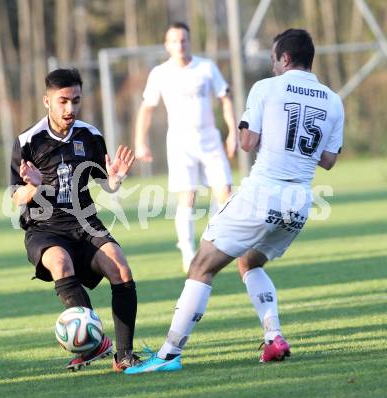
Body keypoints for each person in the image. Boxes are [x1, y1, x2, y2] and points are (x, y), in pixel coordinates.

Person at [125, 28, 344, 374]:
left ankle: (168, 355)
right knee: (249, 263)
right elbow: (329, 159)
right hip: (299, 201)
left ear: (285, 58)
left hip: (263, 192)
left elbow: (246, 141)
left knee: (201, 266)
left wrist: (258, 130)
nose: (272, 65)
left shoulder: (266, 88)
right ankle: (274, 338)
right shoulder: (333, 99)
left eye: (274, 59)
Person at [10, 68, 141, 373]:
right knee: (60, 264)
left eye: (76, 100)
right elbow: (16, 197)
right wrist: (34, 185)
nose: (70, 109)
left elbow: (106, 183)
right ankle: (94, 343)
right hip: (45, 228)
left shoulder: (90, 136)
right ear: (47, 101)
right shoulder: (28, 141)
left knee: (121, 267)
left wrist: (116, 178)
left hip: (85, 222)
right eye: (63, 101)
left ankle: (124, 355)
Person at [135, 22, 238, 272]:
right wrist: (140, 141)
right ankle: (188, 250)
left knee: (224, 193)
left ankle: (214, 244)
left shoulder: (206, 67)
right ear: (167, 45)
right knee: (188, 196)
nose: (180, 45)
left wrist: (232, 133)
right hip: (180, 142)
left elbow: (225, 100)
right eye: (174, 41)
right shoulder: (160, 73)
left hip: (210, 139)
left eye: (184, 40)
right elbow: (147, 108)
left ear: (190, 41)